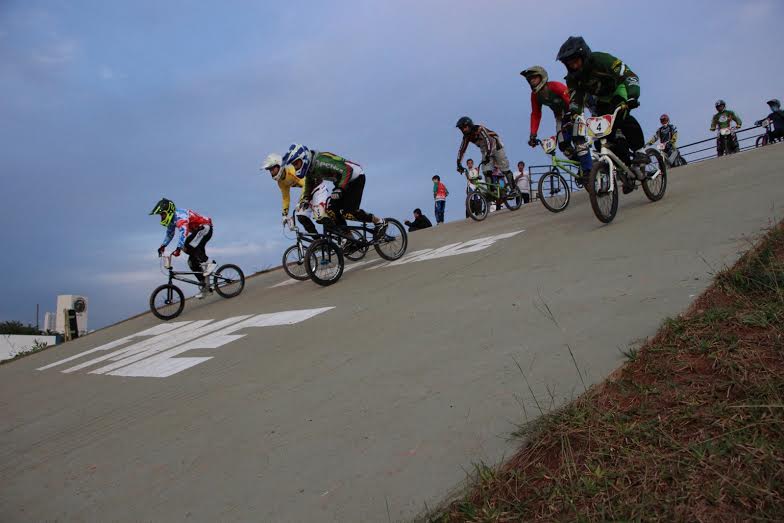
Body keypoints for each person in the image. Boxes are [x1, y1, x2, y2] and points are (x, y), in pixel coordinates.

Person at [557, 36, 645, 194]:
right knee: (604, 138)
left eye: (576, 61)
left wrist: (632, 96)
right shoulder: (573, 78)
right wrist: (573, 114)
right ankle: (626, 170)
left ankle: (640, 151)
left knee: (622, 118)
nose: (573, 65)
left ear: (584, 56)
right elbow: (576, 98)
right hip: (602, 101)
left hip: (619, 91)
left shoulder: (601, 60)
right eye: (569, 63)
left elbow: (629, 75)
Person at [280, 144, 386, 235]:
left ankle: (379, 221)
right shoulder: (310, 168)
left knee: (349, 213)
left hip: (355, 178)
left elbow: (347, 169)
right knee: (331, 211)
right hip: (342, 182)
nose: (295, 168)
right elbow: (309, 184)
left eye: (296, 164)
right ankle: (349, 238)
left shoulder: (321, 162)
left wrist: (340, 188)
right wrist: (306, 199)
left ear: (303, 158)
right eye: (294, 165)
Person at [521, 65, 592, 176]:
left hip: (575, 112)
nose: (532, 81)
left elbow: (570, 100)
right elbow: (536, 114)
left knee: (579, 141)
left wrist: (574, 115)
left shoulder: (555, 87)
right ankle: (582, 165)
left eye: (534, 78)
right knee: (564, 147)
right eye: (530, 79)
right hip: (560, 118)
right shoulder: (535, 95)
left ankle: (589, 169)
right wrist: (533, 134)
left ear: (542, 77)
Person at [150, 198, 215, 299]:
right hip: (197, 233)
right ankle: (206, 287)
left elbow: (183, 232)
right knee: (192, 263)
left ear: (169, 211)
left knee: (187, 245)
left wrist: (178, 248)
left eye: (162, 214)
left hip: (205, 228)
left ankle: (210, 262)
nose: (161, 217)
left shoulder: (180, 216)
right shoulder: (172, 220)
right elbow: (170, 234)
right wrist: (163, 245)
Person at [260, 153, 326, 235]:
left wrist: (301, 201)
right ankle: (318, 242)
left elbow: (305, 184)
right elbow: (286, 198)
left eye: (273, 169)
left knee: (320, 216)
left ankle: (338, 233)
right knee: (301, 217)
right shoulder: (280, 182)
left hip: (317, 187)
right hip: (308, 194)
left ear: (279, 166)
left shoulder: (291, 171)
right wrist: (284, 215)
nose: (271, 172)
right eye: (270, 170)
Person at [455, 116, 518, 193]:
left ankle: (513, 189)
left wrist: (488, 155)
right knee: (486, 170)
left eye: (464, 127)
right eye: (461, 128)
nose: (463, 130)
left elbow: (488, 141)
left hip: (496, 146)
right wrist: (458, 164)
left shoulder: (479, 129)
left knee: (504, 169)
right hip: (485, 150)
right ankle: (492, 190)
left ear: (470, 125)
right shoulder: (466, 137)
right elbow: (461, 150)